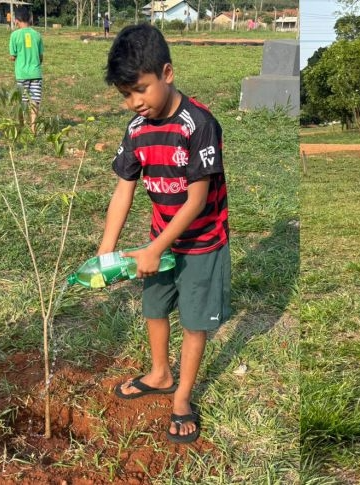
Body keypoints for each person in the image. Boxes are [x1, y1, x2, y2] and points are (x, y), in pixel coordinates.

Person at [101, 24, 230, 444]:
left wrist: (155, 248)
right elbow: (124, 189)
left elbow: (196, 201)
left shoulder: (199, 124)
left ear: (167, 73)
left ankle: (182, 399)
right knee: (154, 308)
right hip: (160, 241)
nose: (135, 102)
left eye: (140, 89)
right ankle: (159, 373)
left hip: (202, 243)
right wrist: (106, 250)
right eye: (125, 95)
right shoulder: (137, 130)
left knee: (194, 321)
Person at [9, 7, 43, 133]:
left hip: (22, 74)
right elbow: (40, 57)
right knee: (35, 101)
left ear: (16, 20)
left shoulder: (14, 35)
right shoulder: (37, 35)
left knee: (21, 101)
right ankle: (33, 128)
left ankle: (21, 125)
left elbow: (13, 56)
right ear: (30, 19)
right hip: (36, 74)